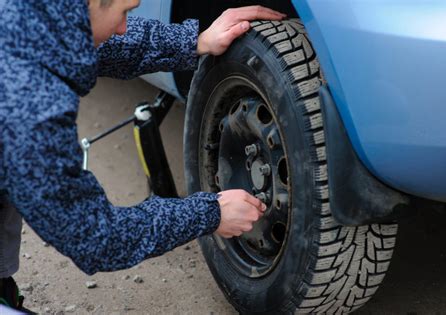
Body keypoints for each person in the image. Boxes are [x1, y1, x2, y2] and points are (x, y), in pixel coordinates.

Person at [0, 0, 286, 312]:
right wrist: (210, 214)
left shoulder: (23, 19)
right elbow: (96, 238)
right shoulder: (28, 106)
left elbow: (96, 45)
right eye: (123, 12)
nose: (124, 27)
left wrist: (194, 41)